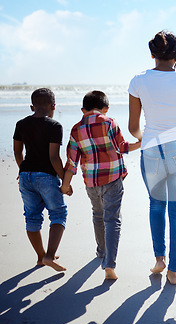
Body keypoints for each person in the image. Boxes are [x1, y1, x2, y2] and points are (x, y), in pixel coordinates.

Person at [128, 30, 176, 285]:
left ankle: (160, 258)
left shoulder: (138, 81)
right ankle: (173, 271)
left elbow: (132, 126)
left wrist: (145, 138)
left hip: (151, 149)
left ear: (152, 54)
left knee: (156, 205)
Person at [61, 90, 140, 280]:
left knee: (98, 214)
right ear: (105, 108)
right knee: (112, 219)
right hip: (112, 178)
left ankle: (101, 251)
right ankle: (109, 265)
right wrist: (140, 143)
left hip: (90, 181)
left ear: (83, 109)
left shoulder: (76, 129)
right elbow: (122, 147)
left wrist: (65, 185)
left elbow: (71, 161)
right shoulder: (109, 122)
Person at [13, 88, 69, 272]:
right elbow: (54, 157)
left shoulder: (21, 124)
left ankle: (40, 256)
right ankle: (49, 256)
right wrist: (64, 180)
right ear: (53, 106)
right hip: (45, 176)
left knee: (32, 217)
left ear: (31, 107)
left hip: (25, 175)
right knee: (58, 214)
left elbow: (17, 152)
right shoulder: (55, 126)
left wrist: (22, 169)